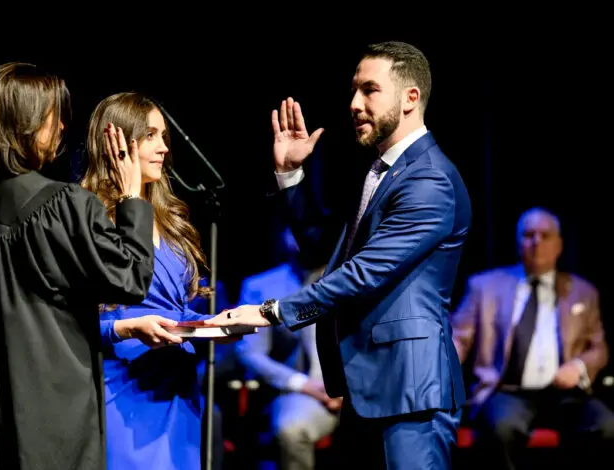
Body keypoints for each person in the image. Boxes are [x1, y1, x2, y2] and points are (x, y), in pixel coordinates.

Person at [207, 41, 472, 469]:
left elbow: (364, 273)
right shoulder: (382, 172)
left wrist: (269, 311)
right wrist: (290, 175)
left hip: (411, 389)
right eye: (354, 90)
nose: (354, 103)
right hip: (367, 384)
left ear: (410, 98)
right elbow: (322, 254)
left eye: (369, 90)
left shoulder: (429, 179)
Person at [0, 63, 181, 470]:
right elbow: (130, 278)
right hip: (49, 423)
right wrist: (132, 197)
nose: (61, 127)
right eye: (53, 116)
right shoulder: (58, 206)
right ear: (25, 123)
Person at [81, 92, 218, 470]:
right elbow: (64, 322)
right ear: (119, 144)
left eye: (164, 138)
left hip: (179, 383)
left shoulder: (170, 219)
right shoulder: (88, 217)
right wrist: (126, 328)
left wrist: (215, 325)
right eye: (151, 136)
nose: (163, 149)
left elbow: (178, 303)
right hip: (124, 385)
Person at [452, 207, 614, 469]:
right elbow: (458, 338)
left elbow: (599, 348)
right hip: (507, 391)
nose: (536, 242)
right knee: (501, 429)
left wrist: (580, 366)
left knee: (606, 426)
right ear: (518, 243)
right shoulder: (484, 287)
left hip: (566, 395)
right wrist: (439, 365)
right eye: (529, 235)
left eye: (545, 235)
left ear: (559, 245)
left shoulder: (583, 292)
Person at [234, 227, 339, 470]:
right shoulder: (262, 286)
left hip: (362, 388)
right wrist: (304, 385)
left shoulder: (354, 276)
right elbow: (250, 353)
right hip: (306, 390)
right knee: (291, 427)